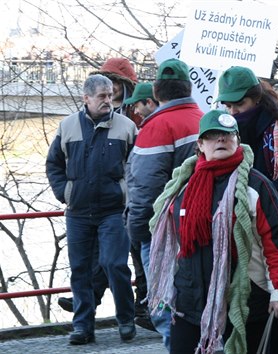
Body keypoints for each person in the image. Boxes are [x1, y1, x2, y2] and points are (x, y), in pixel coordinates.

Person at [147, 110, 278, 354]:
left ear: (237, 139)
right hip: (190, 301)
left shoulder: (256, 186)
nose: (221, 140)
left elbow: (277, 243)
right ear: (200, 144)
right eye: (213, 136)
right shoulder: (181, 186)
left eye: (227, 135)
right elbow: (171, 241)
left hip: (245, 299)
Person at [215, 65, 278, 352]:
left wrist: (252, 197)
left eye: (239, 104)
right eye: (227, 105)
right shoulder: (224, 132)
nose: (233, 112)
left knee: (273, 328)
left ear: (256, 99)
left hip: (270, 239)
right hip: (234, 238)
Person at [56, 58, 150, 327]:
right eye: (106, 89)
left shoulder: (133, 115)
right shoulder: (84, 117)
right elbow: (58, 160)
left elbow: (138, 160)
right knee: (105, 258)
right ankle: (91, 305)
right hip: (90, 203)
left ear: (125, 85)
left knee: (125, 259)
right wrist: (66, 191)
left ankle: (138, 309)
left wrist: (130, 195)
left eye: (115, 85)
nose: (111, 92)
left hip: (126, 200)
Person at [45, 74, 137, 345]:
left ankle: (126, 319)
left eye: (110, 95)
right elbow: (54, 164)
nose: (108, 100)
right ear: (86, 98)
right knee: (80, 268)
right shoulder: (67, 126)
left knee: (115, 263)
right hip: (78, 212)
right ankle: (83, 326)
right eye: (102, 96)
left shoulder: (127, 127)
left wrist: (128, 195)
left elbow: (137, 167)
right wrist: (65, 193)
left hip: (114, 210)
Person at [126, 58, 203, 349]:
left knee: (165, 309)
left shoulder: (157, 127)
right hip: (199, 230)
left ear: (157, 92)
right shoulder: (203, 120)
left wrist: (138, 232)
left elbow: (145, 189)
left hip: (163, 233)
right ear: (189, 88)